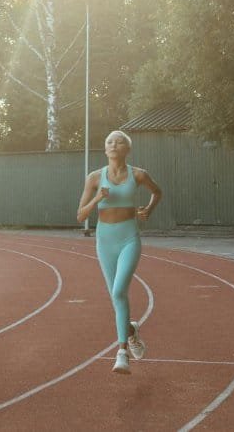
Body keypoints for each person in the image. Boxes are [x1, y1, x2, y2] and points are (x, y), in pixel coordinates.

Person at [76, 130, 163, 375]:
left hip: (128, 239)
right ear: (105, 149)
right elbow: (80, 215)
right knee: (117, 298)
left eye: (120, 141)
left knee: (118, 291)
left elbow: (158, 192)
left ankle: (122, 352)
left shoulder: (138, 174)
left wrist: (149, 209)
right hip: (105, 241)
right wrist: (96, 200)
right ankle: (132, 331)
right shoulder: (94, 178)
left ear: (128, 149)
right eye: (109, 141)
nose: (114, 144)